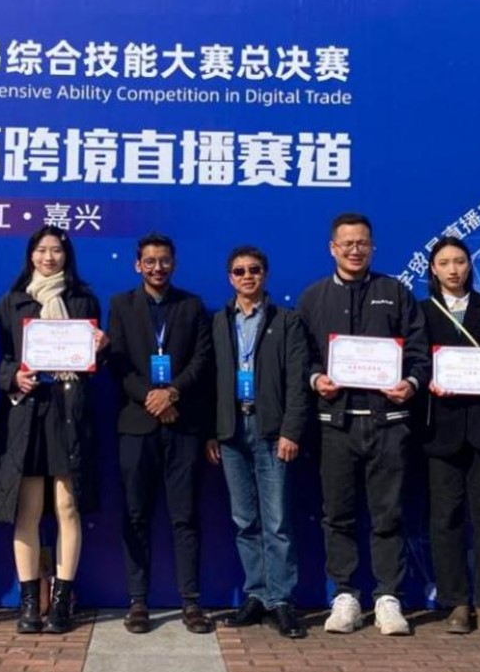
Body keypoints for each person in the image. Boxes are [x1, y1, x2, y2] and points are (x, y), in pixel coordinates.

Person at [297, 213, 431, 636]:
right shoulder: (314, 298)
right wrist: (316, 379)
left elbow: (419, 353)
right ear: (332, 248)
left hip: (388, 422)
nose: (355, 250)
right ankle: (345, 596)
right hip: (335, 424)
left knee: (388, 514)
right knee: (337, 514)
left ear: (372, 247)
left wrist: (410, 384)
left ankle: (388, 597)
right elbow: (301, 357)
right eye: (347, 243)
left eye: (362, 243)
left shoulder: (395, 292)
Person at [0, 226, 105, 635]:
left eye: (56, 250)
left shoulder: (82, 300)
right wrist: (12, 377)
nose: (49, 257)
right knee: (28, 511)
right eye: (41, 250)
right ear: (30, 255)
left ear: (67, 256)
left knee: (68, 508)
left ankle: (62, 600)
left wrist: (100, 348)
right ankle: (31, 602)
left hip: (69, 413)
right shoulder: (12, 302)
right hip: (27, 415)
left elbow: (93, 365)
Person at [108, 232, 214, 634]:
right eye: (150, 261)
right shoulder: (120, 305)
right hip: (137, 425)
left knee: (185, 516)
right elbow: (117, 363)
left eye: (164, 261)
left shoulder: (191, 305)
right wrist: (149, 397)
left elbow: (203, 360)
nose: (157, 268)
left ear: (174, 263)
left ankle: (191, 602)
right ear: (138, 265)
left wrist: (171, 393)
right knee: (136, 515)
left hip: (182, 424)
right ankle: (138, 602)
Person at [206, 246, 311, 639]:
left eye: (254, 270)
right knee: (244, 520)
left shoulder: (286, 320)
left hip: (271, 430)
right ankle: (256, 594)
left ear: (264, 274)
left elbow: (298, 381)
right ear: (230, 278)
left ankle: (281, 600)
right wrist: (212, 431)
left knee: (277, 520)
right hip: (231, 430)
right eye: (239, 271)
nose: (247, 276)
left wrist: (291, 430)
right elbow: (210, 381)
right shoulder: (219, 321)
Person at [420, 237, 480, 636]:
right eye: (444, 262)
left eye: (459, 261)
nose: (453, 269)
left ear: (469, 265)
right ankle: (456, 602)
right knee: (446, 519)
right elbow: (415, 362)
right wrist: (428, 382)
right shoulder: (422, 311)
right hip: (441, 432)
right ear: (433, 269)